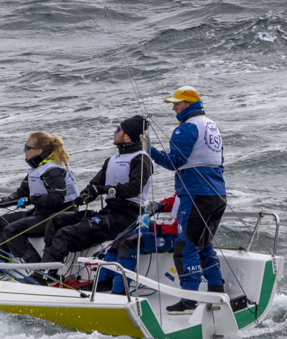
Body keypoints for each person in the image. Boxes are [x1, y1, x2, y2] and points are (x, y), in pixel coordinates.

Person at [40, 115, 153, 275]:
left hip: (125, 218)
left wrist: (104, 190)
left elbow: (134, 188)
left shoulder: (141, 159)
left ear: (127, 136)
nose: (115, 132)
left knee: (65, 234)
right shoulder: (111, 160)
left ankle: (44, 275)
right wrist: (84, 196)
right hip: (108, 213)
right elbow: (95, 184)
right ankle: (48, 270)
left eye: (118, 129)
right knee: (56, 221)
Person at [148, 86, 227, 313]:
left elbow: (174, 162)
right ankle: (217, 291)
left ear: (188, 105)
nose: (173, 108)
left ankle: (189, 301)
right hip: (218, 195)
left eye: (177, 103)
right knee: (205, 246)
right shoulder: (211, 125)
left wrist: (149, 150)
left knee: (185, 247)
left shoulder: (186, 127)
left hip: (196, 195)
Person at [0, 132, 78, 266]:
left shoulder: (53, 170)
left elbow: (57, 199)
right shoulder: (39, 167)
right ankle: (0, 267)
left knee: (11, 230)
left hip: (58, 216)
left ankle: (36, 267)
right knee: (2, 222)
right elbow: (22, 192)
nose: (24, 150)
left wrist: (31, 200)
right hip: (42, 212)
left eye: (27, 147)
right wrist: (0, 204)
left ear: (39, 151)